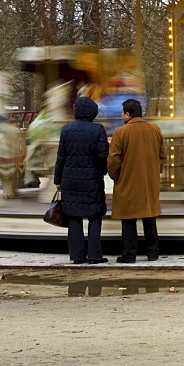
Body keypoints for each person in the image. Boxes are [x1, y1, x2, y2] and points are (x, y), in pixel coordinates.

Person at [108, 98, 166, 263]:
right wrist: (155, 172)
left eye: (122, 113)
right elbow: (163, 156)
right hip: (149, 181)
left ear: (127, 114)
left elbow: (113, 160)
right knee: (149, 216)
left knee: (128, 218)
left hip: (128, 180)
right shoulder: (155, 129)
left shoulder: (121, 132)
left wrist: (115, 176)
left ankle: (129, 254)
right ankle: (153, 253)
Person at [54, 96, 109, 265]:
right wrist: (102, 171)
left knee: (74, 217)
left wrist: (58, 179)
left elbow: (60, 157)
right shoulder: (98, 130)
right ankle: (94, 255)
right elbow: (102, 155)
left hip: (70, 179)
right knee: (94, 216)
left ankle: (77, 255)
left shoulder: (66, 130)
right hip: (92, 178)